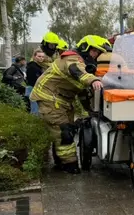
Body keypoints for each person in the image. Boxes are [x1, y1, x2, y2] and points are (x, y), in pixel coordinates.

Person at [30, 36, 103, 174]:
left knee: (64, 131)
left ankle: (60, 161)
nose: (96, 55)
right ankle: (70, 165)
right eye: (95, 51)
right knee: (63, 133)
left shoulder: (82, 64)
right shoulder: (72, 59)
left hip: (61, 102)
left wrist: (91, 111)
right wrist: (93, 80)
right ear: (85, 48)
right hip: (50, 100)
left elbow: (81, 93)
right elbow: (76, 71)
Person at [25, 50, 46, 115]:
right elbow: (33, 80)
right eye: (39, 56)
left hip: (35, 89)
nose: (41, 58)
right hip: (33, 89)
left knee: (37, 109)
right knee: (35, 110)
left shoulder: (38, 66)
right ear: (34, 57)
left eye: (42, 57)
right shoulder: (32, 67)